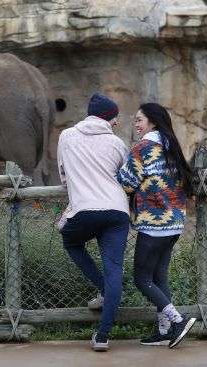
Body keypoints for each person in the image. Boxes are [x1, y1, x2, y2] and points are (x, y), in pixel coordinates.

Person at [117, 103, 196, 348]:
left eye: (139, 120)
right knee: (158, 277)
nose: (136, 124)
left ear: (152, 121)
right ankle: (164, 331)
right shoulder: (171, 146)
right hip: (174, 223)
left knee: (142, 278)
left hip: (154, 225)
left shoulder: (143, 148)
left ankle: (178, 321)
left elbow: (127, 182)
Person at [57, 93, 130, 352]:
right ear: (109, 118)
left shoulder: (66, 136)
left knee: (71, 242)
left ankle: (102, 288)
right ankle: (103, 336)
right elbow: (125, 177)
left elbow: (65, 178)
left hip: (84, 209)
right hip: (117, 212)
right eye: (115, 119)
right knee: (114, 270)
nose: (117, 123)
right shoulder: (117, 143)